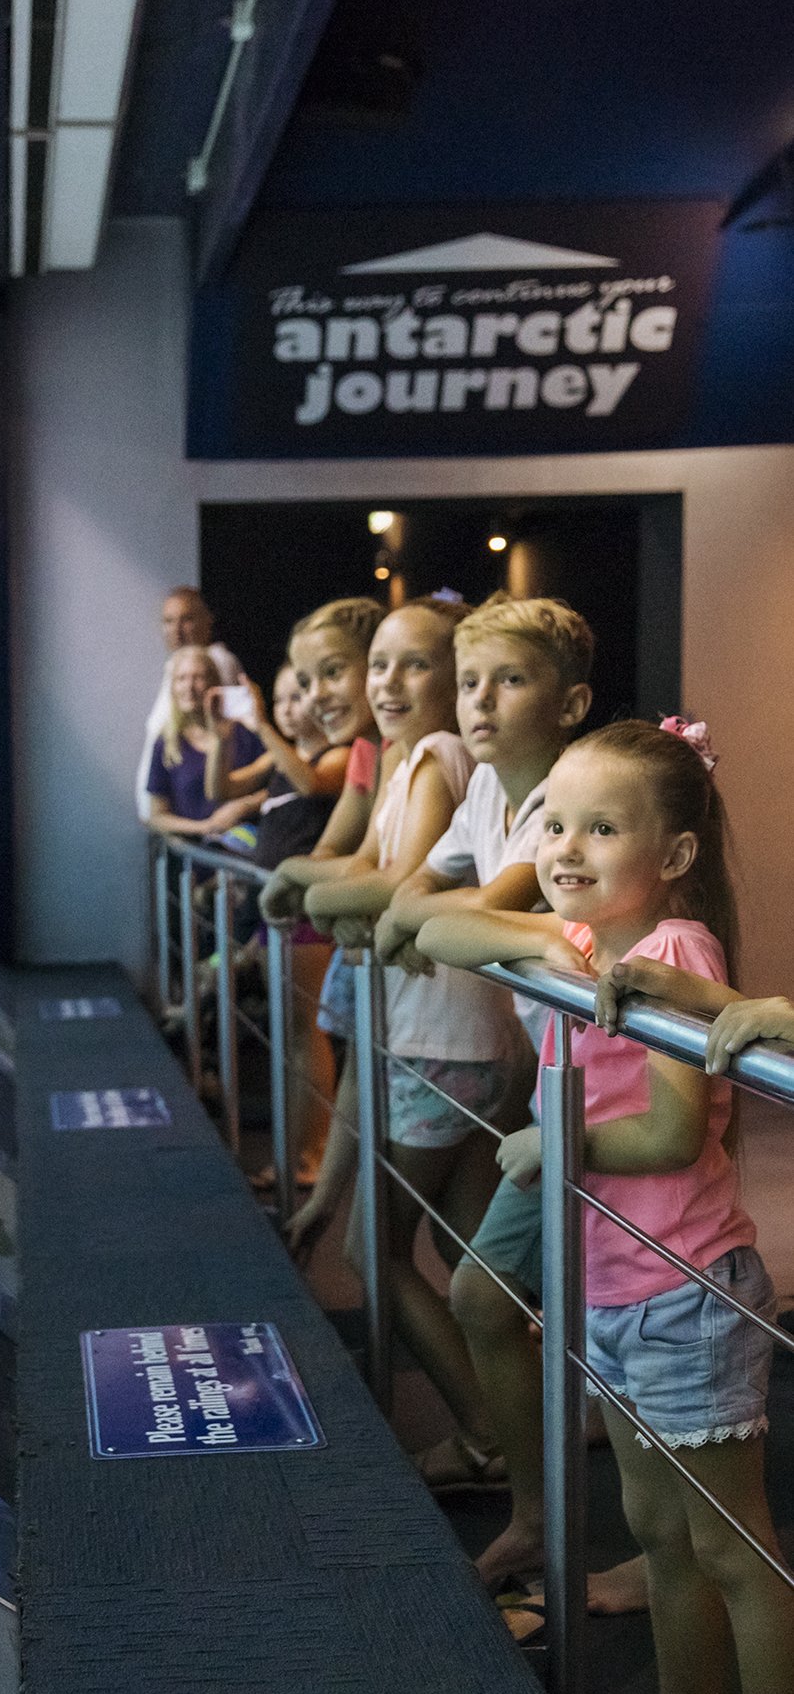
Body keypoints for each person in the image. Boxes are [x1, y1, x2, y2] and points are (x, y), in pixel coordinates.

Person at [420, 720, 794, 1694]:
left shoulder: (673, 940)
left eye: (602, 826)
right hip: (621, 1291)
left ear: (675, 850)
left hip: (684, 1291)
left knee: (733, 1552)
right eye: (554, 822)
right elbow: (439, 925)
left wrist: (557, 1139)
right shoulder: (585, 938)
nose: (566, 845)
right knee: (659, 1532)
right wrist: (540, 920)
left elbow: (677, 1132)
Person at [370, 595, 593, 1512]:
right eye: (470, 683)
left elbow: (460, 904)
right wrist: (419, 908)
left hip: (593, 1092)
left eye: (509, 680)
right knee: (488, 1290)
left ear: (570, 703)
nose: (481, 701)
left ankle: (551, 1514)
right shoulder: (490, 792)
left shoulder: (561, 795)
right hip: (547, 1091)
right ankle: (536, 1506)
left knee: (518, 1296)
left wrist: (414, 915)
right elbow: (427, 884)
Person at [298, 599, 527, 1456]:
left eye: (418, 664)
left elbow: (396, 887)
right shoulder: (406, 762)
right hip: (457, 1041)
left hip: (442, 1044)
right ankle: (523, 1433)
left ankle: (485, 1438)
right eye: (380, 663)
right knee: (475, 1263)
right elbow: (383, 875)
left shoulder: (438, 755)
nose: (387, 681)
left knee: (373, 1250)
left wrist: (311, 892)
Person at [257, 596, 385, 1226]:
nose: (314, 696)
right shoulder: (366, 753)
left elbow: (388, 874)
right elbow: (342, 850)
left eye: (332, 674)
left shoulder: (418, 754)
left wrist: (299, 883)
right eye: (305, 681)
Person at [134, 586, 243, 821]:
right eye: (169, 621)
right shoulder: (175, 665)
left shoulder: (217, 661)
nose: (176, 630)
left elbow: (227, 738)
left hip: (202, 828)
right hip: (171, 825)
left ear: (208, 620)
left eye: (187, 619)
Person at [143, 645, 263, 838]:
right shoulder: (166, 743)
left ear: (214, 682)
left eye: (198, 677)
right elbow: (157, 815)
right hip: (195, 859)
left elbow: (277, 788)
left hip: (244, 853)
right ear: (172, 686)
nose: (189, 687)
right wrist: (206, 827)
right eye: (182, 678)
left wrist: (242, 807)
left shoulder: (243, 733)